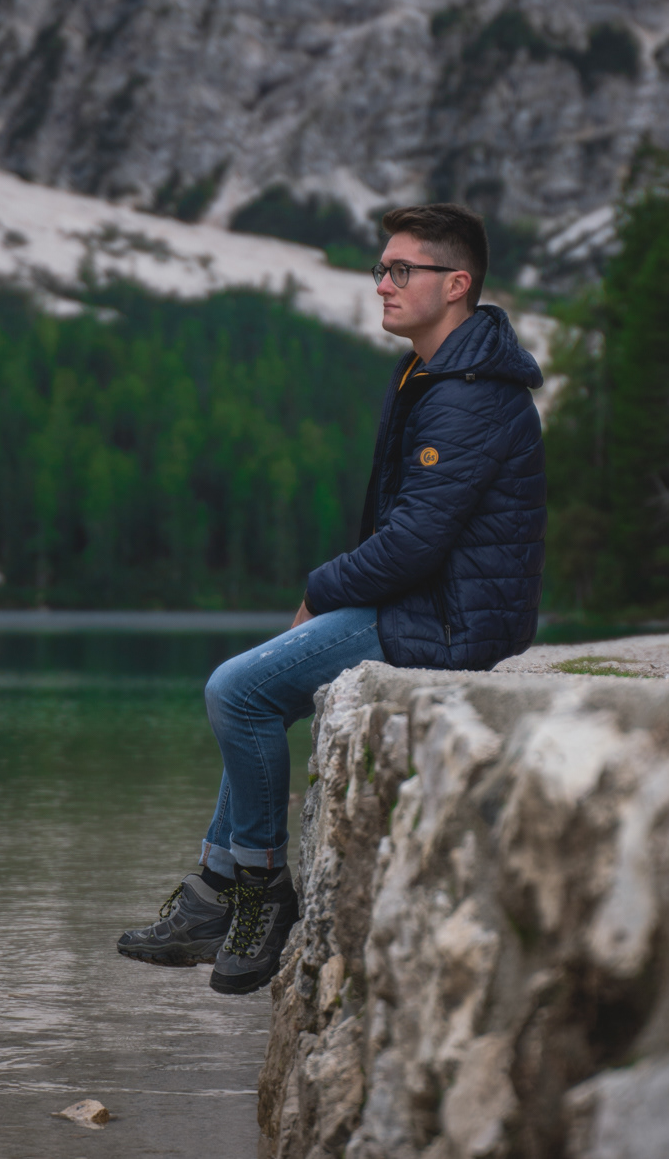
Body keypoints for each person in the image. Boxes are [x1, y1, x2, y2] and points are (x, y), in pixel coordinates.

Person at [116, 203, 546, 994]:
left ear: (456, 284)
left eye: (401, 270)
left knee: (237, 691)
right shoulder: (433, 372)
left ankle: (261, 891)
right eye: (381, 269)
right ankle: (214, 892)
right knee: (257, 685)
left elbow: (414, 541)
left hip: (451, 623)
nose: (381, 284)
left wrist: (320, 591)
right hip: (430, 604)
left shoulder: (469, 393)